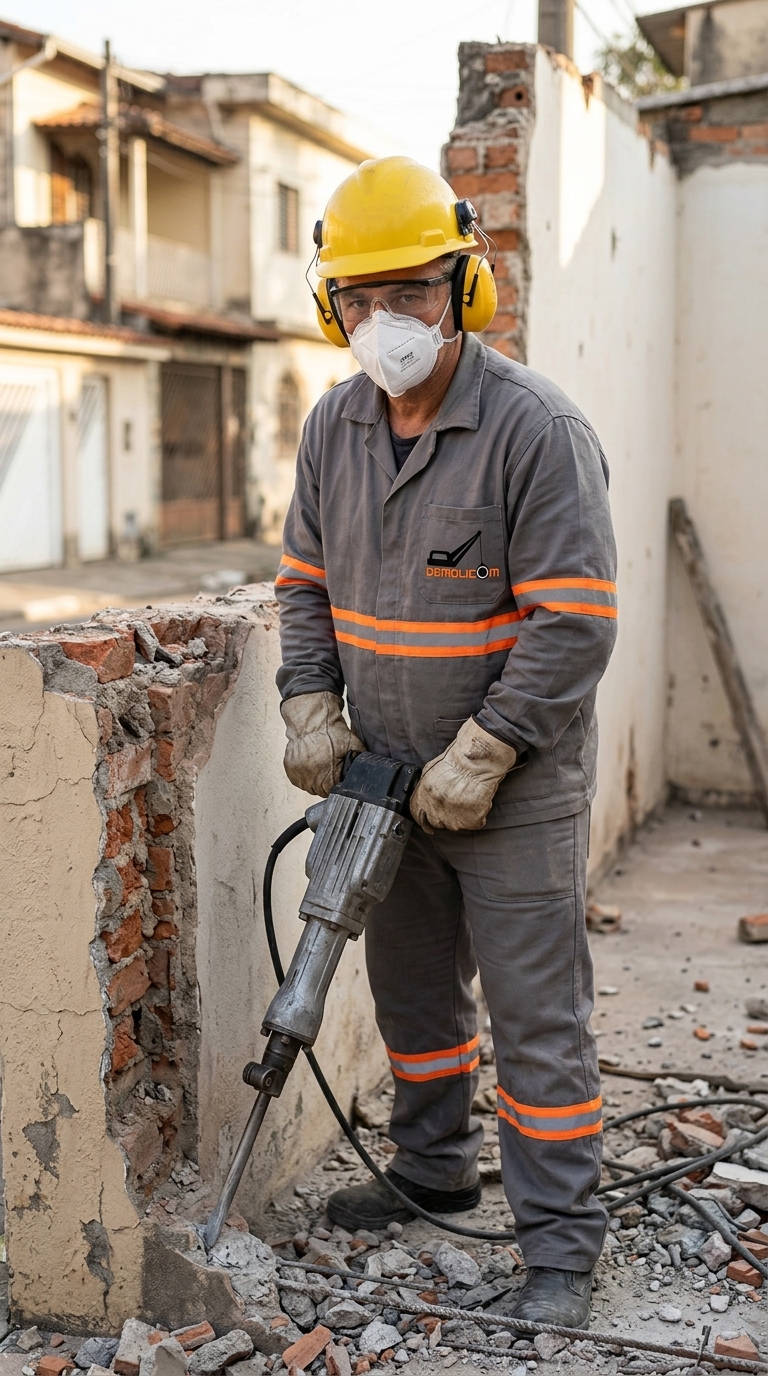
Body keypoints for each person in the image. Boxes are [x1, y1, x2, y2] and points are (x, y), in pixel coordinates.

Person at [274, 156, 617, 1327]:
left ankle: (562, 1239)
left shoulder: (535, 429)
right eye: (361, 299)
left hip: (509, 786)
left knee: (536, 1015)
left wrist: (490, 747)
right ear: (333, 308)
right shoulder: (334, 425)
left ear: (463, 287)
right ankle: (432, 1166)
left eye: (414, 291)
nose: (389, 322)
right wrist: (308, 703)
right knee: (413, 993)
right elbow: (302, 585)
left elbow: (577, 619)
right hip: (383, 775)